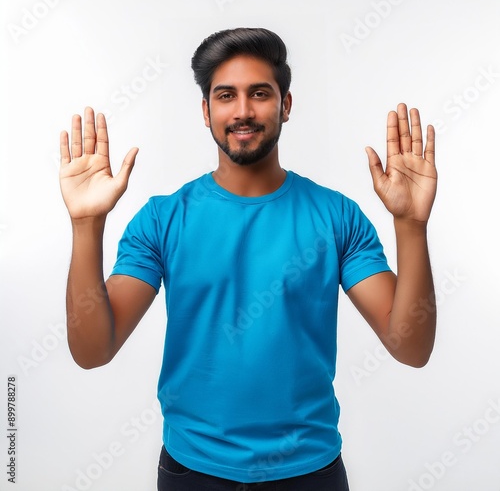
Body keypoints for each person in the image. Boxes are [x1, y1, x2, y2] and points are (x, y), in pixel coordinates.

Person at [59, 28, 437, 491]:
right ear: (206, 111)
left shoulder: (336, 216)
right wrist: (86, 225)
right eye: (225, 95)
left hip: (310, 472)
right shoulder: (162, 219)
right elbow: (92, 350)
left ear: (286, 105)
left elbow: (411, 348)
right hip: (192, 471)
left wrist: (411, 226)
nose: (242, 111)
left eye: (260, 93)